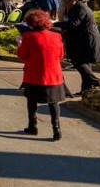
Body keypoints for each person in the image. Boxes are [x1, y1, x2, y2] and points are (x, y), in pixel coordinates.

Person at [17, 10, 65, 140]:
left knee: (32, 101)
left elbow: (22, 55)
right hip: (53, 75)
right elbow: (61, 55)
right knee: (53, 103)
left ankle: (33, 126)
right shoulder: (56, 36)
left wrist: (19, 44)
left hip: (34, 75)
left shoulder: (28, 37)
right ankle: (57, 130)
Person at [55, 0, 100, 94]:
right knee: (84, 63)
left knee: (79, 62)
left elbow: (73, 24)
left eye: (64, 2)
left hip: (87, 40)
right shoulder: (75, 7)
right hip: (82, 39)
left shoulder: (80, 8)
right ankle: (86, 89)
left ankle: (98, 82)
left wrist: (55, 25)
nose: (63, 4)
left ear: (70, 1)